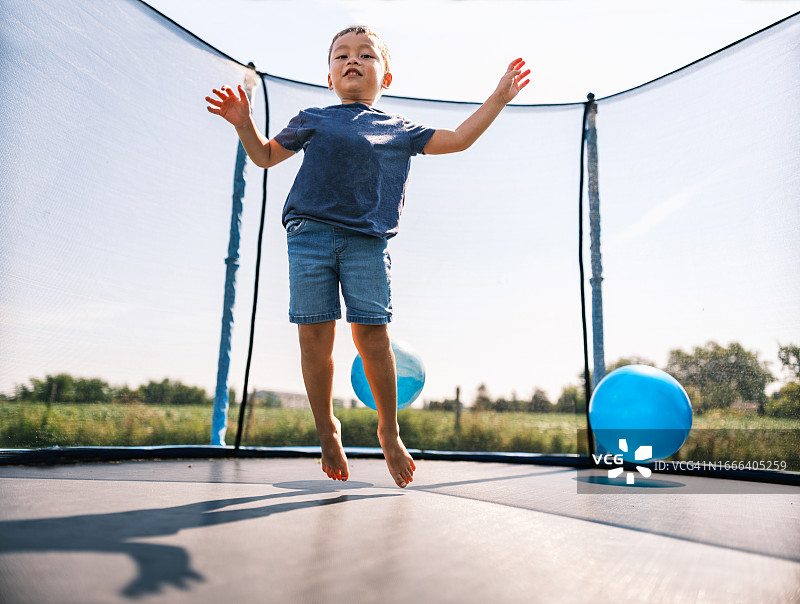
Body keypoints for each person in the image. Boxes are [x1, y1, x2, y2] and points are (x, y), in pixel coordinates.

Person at [206, 25, 530, 488]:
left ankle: (388, 429)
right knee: (314, 341)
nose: (352, 60)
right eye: (341, 56)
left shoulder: (399, 130)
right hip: (310, 236)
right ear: (330, 76)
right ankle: (327, 428)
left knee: (373, 339)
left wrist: (498, 97)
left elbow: (458, 138)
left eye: (365, 55)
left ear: (387, 77)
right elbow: (263, 157)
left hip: (366, 243)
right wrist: (243, 123)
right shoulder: (312, 118)